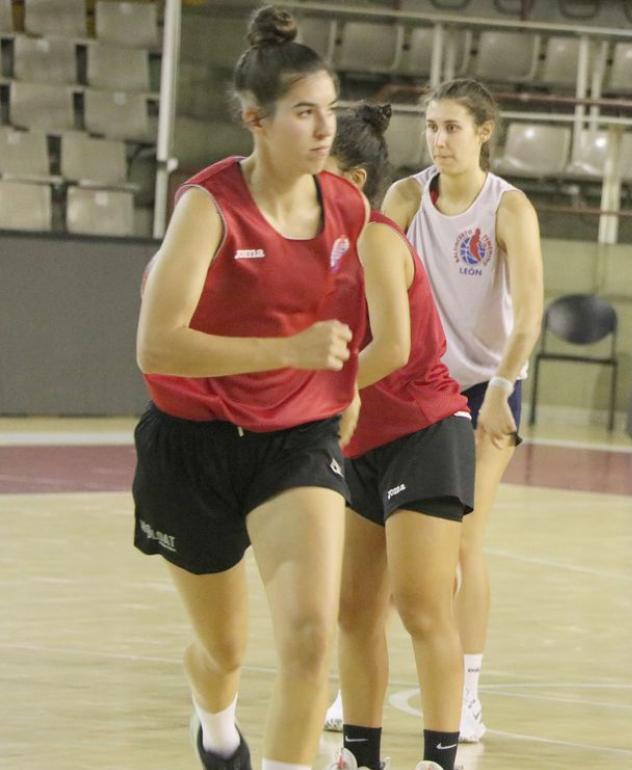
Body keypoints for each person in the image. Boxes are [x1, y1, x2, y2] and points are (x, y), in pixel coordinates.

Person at [132, 7, 378, 770]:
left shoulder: (348, 207)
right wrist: (287, 348)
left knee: (309, 640)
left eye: (330, 109)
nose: (324, 127)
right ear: (256, 120)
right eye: (305, 111)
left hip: (296, 440)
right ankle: (216, 728)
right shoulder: (207, 207)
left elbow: (341, 321)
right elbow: (156, 345)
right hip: (193, 442)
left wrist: (345, 388)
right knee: (225, 649)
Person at [341, 77, 543, 743]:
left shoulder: (506, 208)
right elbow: (360, 274)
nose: (440, 139)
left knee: (462, 543)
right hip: (405, 384)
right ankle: (360, 690)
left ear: (484, 131)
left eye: (453, 126)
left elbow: (529, 314)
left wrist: (503, 389)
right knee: (376, 567)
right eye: (431, 126)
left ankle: (471, 693)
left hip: (483, 388)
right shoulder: (405, 197)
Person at [319, 103, 475, 770]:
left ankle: (439, 757)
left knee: (419, 604)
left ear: (352, 180)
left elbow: (394, 344)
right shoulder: (313, 247)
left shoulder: (378, 240)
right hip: (361, 442)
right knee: (353, 612)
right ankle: (361, 753)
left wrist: (332, 390)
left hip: (426, 429)